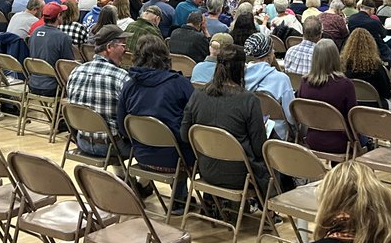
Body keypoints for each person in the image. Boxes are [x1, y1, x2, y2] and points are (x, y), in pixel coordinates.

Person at [116, 29, 196, 213]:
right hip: (177, 159)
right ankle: (180, 199)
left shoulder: (129, 85)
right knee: (187, 138)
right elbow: (194, 120)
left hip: (142, 154)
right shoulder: (179, 83)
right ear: (165, 55)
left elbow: (122, 125)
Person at [181, 45, 268, 197]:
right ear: (242, 69)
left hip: (206, 168)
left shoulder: (198, 95)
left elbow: (184, 134)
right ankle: (269, 211)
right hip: (240, 175)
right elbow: (259, 146)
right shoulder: (249, 100)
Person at [65, 25, 133, 159]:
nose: (126, 50)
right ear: (109, 47)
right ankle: (140, 180)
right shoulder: (121, 76)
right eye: (123, 45)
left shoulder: (75, 72)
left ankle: (119, 177)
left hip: (82, 141)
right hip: (112, 146)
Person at [297, 40, 355, 155]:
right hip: (340, 142)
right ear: (336, 57)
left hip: (311, 138)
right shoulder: (345, 85)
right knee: (366, 141)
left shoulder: (304, 83)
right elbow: (352, 118)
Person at [243, 33, 295, 140]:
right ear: (268, 54)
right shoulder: (281, 79)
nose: (274, 52)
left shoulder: (241, 75)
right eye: (272, 49)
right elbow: (291, 117)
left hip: (248, 130)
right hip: (276, 135)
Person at [340, 27, 391, 110]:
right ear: (371, 44)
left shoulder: (343, 64)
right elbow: (386, 92)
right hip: (377, 107)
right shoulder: (376, 66)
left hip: (353, 106)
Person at [28, 2, 73, 96]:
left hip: (33, 84)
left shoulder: (35, 32)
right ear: (59, 16)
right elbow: (68, 66)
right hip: (52, 87)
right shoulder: (63, 37)